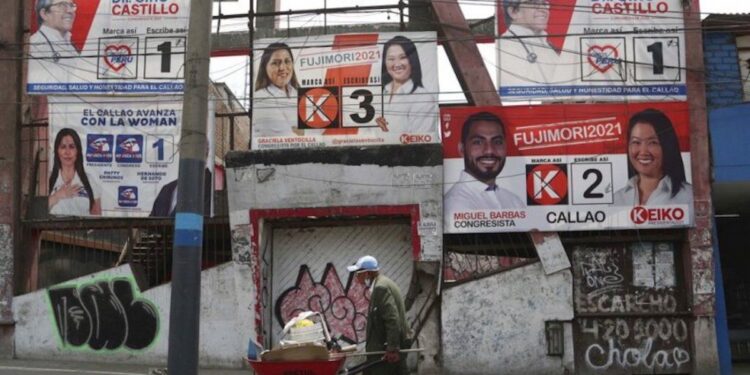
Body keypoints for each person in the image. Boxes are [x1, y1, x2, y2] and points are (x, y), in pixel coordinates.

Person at [444, 112, 525, 215]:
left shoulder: (514, 201)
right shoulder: (455, 203)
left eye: (497, 142)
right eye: (478, 142)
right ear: (462, 149)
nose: (489, 151)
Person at [614, 109, 693, 207]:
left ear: (667, 146)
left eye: (652, 143)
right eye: (636, 142)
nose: (643, 152)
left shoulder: (690, 197)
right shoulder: (616, 200)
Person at [347, 255, 410, 375]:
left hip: (385, 347)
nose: (356, 276)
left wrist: (392, 348)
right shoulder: (381, 284)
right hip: (385, 346)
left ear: (367, 273)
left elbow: (392, 319)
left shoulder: (381, 288)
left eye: (357, 273)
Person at [375, 35, 438, 135]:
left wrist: (385, 132)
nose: (397, 64)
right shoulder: (381, 93)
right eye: (391, 59)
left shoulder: (423, 98)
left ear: (412, 60)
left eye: (402, 57)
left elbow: (420, 140)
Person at [498, 0, 561, 87]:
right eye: (534, 3)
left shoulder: (548, 45)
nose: (543, 9)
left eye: (544, 4)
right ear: (514, 12)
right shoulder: (504, 47)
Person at [48, 128, 102, 216]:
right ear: (57, 151)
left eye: (72, 147)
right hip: (54, 229)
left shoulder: (89, 180)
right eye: (63, 147)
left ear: (78, 151)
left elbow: (96, 214)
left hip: (82, 229)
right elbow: (39, 210)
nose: (67, 152)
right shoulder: (49, 178)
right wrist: (57, 196)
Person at [252, 42, 301, 137]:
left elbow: (317, 133)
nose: (282, 68)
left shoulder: (298, 94)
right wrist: (299, 131)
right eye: (275, 63)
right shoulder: (261, 97)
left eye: (287, 61)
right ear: (265, 67)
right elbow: (286, 137)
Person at [28, 0, 80, 83]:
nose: (70, 11)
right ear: (44, 14)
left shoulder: (70, 45)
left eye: (71, 5)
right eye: (62, 5)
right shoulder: (34, 46)